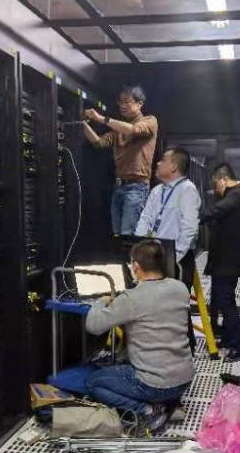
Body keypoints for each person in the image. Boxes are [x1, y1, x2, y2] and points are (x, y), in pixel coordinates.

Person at [85, 240, 194, 432]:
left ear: (135, 266)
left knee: (93, 382)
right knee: (127, 360)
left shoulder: (131, 298)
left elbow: (93, 326)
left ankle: (149, 411)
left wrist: (100, 302)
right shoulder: (181, 288)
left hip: (154, 385)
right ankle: (171, 403)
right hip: (184, 379)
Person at [201, 163, 240, 363]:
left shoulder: (238, 195)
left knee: (226, 301)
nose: (216, 190)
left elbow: (219, 210)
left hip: (228, 259)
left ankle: (238, 346)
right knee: (221, 300)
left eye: (216, 184)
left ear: (224, 179)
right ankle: (228, 338)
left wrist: (196, 216)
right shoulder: (238, 195)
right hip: (224, 258)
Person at [83, 85, 158, 236]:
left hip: (137, 188)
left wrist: (101, 118)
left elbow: (133, 129)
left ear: (140, 103)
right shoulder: (118, 129)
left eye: (127, 102)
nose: (122, 106)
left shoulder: (150, 121)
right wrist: (82, 123)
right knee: (118, 234)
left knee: (128, 234)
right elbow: (98, 142)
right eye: (120, 102)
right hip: (119, 186)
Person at [135, 147, 201, 293]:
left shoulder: (187, 190)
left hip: (177, 260)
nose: (158, 163)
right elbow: (145, 219)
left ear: (174, 166)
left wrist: (173, 258)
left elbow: (189, 229)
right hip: (153, 257)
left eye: (163, 160)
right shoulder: (157, 191)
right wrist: (139, 249)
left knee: (173, 304)